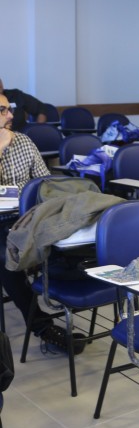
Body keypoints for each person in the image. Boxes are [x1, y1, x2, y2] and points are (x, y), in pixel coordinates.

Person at [0, 93, 84, 354]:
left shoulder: (24, 141)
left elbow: (45, 183)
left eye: (9, 109)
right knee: (6, 257)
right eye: (3, 110)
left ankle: (64, 296)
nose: (12, 115)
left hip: (27, 217)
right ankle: (43, 327)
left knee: (68, 240)